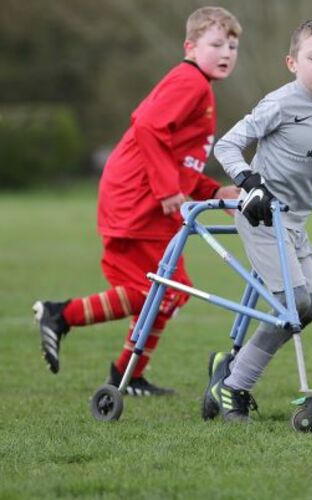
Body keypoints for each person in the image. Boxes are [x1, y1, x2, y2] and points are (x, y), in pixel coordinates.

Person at [32, 7, 242, 396]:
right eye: (216, 43)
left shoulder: (200, 88)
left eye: (232, 45)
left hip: (149, 199)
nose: (226, 52)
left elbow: (179, 161)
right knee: (161, 291)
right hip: (138, 199)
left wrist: (214, 191)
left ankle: (127, 375)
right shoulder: (190, 82)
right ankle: (62, 315)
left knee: (170, 292)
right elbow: (147, 127)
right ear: (190, 46)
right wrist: (165, 190)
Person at [202, 18, 312, 423]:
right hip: (262, 217)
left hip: (297, 222)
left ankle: (229, 369)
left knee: (311, 307)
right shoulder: (280, 103)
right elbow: (227, 145)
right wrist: (249, 183)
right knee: (292, 303)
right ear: (292, 62)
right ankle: (234, 387)